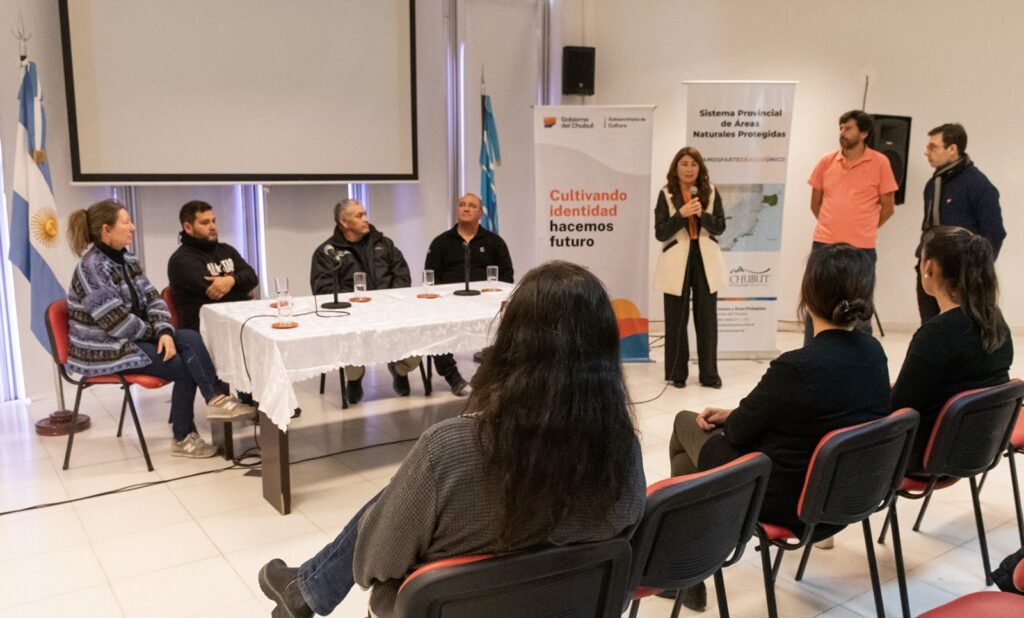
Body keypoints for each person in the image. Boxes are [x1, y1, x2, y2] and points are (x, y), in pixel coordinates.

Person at [258, 261, 646, 618]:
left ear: (514, 340)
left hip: (451, 609)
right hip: (570, 607)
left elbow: (372, 564)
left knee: (409, 498)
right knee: (409, 492)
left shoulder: (450, 447)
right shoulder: (621, 446)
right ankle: (304, 588)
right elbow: (625, 536)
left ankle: (305, 590)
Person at [666, 243, 890, 609]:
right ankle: (687, 566)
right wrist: (736, 414)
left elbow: (738, 433)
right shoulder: (874, 354)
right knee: (694, 462)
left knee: (684, 427)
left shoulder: (796, 367)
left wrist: (736, 418)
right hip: (848, 497)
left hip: (784, 500)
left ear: (808, 295)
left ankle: (684, 571)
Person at [65, 200, 255, 457]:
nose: (132, 227)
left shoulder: (127, 259)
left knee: (189, 337)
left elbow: (154, 299)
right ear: (106, 230)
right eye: (126, 222)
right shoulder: (92, 269)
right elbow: (116, 323)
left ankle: (216, 400)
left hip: (134, 338)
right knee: (182, 365)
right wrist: (158, 333)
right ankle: (183, 437)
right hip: (105, 348)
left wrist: (165, 331)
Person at [893, 226, 1013, 469]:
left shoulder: (935, 335)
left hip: (927, 455)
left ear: (929, 267)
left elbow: (899, 408)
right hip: (980, 449)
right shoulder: (996, 323)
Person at [309, 198, 420, 403]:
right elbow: (323, 289)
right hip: (353, 313)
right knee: (349, 334)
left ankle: (400, 370)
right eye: (359, 215)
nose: (366, 219)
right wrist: (354, 302)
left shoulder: (384, 244)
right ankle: (354, 378)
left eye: (365, 214)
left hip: (389, 308)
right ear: (344, 222)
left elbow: (402, 275)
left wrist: (390, 299)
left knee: (422, 330)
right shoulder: (327, 252)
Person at [805, 110, 898, 344]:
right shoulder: (826, 161)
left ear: (864, 133)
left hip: (862, 247)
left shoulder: (880, 163)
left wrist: (865, 227)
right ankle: (811, 351)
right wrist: (831, 224)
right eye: (841, 128)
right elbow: (815, 203)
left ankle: (862, 356)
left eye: (848, 128)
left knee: (860, 306)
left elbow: (888, 207)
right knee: (815, 302)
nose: (842, 132)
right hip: (824, 243)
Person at [424, 193, 514, 395]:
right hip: (448, 303)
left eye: (472, 206)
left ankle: (481, 378)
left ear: (481, 212)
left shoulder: (494, 242)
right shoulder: (441, 242)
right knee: (433, 330)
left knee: (508, 329)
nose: (466, 208)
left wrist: (497, 298)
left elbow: (507, 275)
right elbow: (430, 276)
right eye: (462, 205)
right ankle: (453, 377)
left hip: (487, 303)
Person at [916, 124, 1006, 323]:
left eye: (933, 146)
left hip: (962, 273)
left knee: (963, 326)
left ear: (952, 149)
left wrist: (979, 269)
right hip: (931, 267)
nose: (926, 152)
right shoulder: (933, 184)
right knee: (930, 325)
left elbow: (995, 232)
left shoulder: (979, 185)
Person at [653, 146, 726, 389]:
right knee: (676, 319)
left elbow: (720, 227)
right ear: (676, 167)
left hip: (705, 258)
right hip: (676, 259)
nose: (689, 169)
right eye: (684, 164)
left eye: (694, 164)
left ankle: (709, 374)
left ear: (700, 168)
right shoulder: (666, 193)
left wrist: (701, 214)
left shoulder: (710, 192)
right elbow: (660, 232)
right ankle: (677, 373)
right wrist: (681, 215)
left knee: (707, 319)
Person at [167, 200, 258, 331]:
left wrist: (231, 280)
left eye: (213, 221)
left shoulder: (227, 250)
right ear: (188, 227)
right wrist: (244, 292)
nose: (212, 227)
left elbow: (252, 277)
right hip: (202, 329)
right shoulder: (181, 260)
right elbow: (214, 295)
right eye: (205, 223)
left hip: (237, 322)